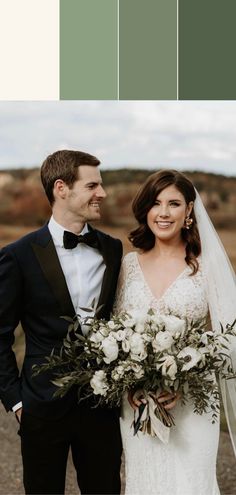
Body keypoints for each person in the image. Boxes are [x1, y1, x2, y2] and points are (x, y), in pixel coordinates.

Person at [0, 149, 123, 495]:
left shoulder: (113, 250)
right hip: (41, 407)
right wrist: (17, 401)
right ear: (61, 188)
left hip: (101, 408)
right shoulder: (18, 255)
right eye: (93, 185)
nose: (103, 193)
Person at [114, 169, 236, 495]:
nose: (163, 212)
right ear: (146, 210)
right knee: (145, 482)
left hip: (193, 404)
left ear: (189, 210)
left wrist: (185, 377)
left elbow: (230, 338)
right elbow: (114, 335)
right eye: (155, 203)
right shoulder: (128, 265)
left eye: (173, 203)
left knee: (190, 484)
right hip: (138, 404)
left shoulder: (205, 265)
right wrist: (128, 382)